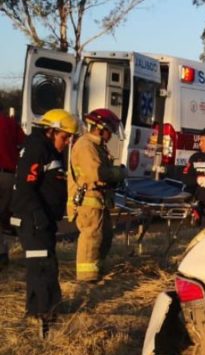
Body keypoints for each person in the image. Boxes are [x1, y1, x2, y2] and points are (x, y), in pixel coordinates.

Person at [11, 109, 78, 336]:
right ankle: (45, 314)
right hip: (33, 219)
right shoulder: (37, 149)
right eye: (65, 136)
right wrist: (37, 213)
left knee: (42, 263)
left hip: (43, 219)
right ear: (51, 131)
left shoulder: (48, 150)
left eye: (70, 137)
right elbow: (25, 185)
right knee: (43, 266)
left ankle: (37, 309)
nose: (68, 141)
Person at [67, 108, 125, 282]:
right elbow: (96, 174)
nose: (112, 135)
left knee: (105, 235)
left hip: (98, 200)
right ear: (101, 127)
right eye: (110, 131)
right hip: (87, 200)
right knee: (91, 236)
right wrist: (119, 173)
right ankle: (87, 278)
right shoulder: (86, 146)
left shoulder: (97, 145)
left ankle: (96, 269)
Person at [0, 108, 26, 269]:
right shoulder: (10, 123)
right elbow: (24, 145)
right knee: (4, 215)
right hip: (8, 175)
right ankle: (2, 255)